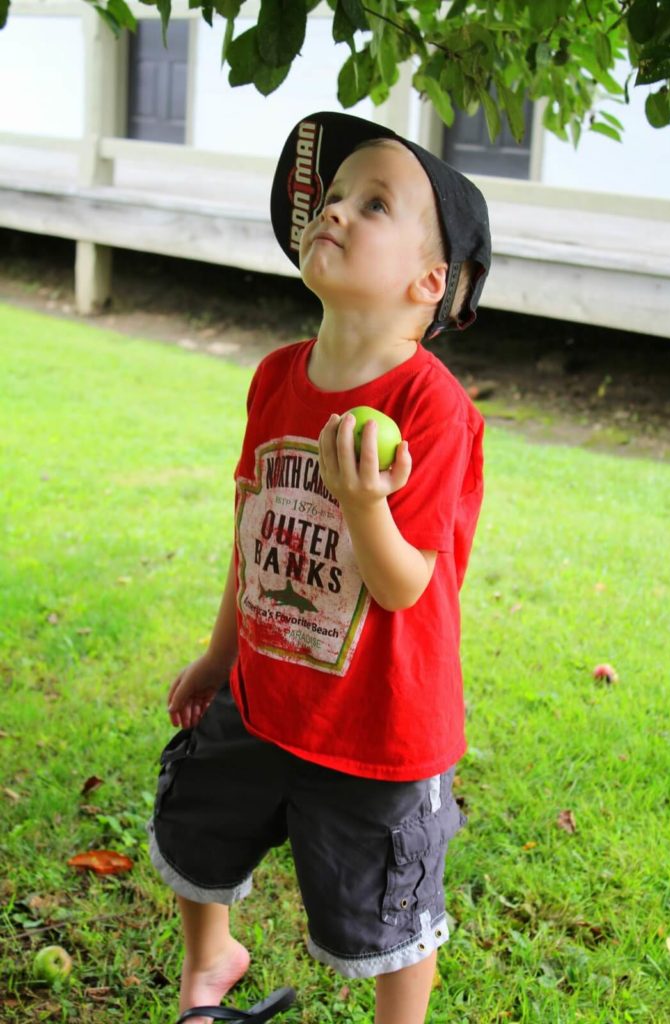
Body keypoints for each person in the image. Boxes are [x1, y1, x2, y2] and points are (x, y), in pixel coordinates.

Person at [148, 110, 491, 1024]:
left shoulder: (432, 407)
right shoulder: (275, 378)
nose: (335, 211)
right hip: (266, 688)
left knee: (390, 901)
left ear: (430, 281)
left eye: (374, 203)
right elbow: (252, 530)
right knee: (198, 816)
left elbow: (404, 584)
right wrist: (222, 653)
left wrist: (364, 504)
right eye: (333, 196)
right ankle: (212, 960)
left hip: (379, 723)